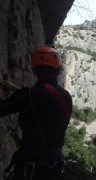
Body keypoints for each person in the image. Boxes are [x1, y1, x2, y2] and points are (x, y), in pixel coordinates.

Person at [0, 46, 72, 180]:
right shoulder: (66, 97)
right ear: (58, 71)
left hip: (30, 169)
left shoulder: (28, 96)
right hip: (53, 168)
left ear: (34, 71)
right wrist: (18, 91)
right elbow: (43, 101)